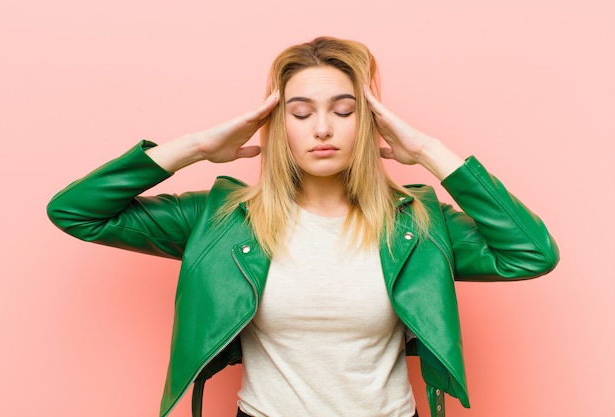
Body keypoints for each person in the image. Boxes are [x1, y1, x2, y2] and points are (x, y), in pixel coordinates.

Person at [47, 37, 559, 417]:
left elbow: (532, 253)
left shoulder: (418, 224)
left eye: (344, 110)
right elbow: (76, 211)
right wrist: (197, 147)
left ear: (369, 122)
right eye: (299, 112)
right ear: (276, 124)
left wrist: (428, 153)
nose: (322, 128)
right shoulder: (222, 219)